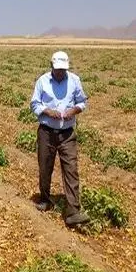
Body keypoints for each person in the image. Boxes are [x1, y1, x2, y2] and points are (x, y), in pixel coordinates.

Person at [30, 51, 90, 227]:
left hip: (67, 133)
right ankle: (45, 199)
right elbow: (34, 103)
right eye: (57, 70)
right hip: (46, 131)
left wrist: (74, 111)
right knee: (45, 166)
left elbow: (82, 102)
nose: (60, 73)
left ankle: (73, 211)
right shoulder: (42, 81)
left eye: (63, 70)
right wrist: (48, 111)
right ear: (51, 67)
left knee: (71, 169)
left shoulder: (74, 80)